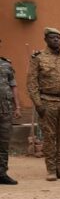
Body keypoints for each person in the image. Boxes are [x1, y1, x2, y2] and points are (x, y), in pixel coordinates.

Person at [26, 27, 60, 181]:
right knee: (49, 137)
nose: (56, 40)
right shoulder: (38, 58)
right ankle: (51, 170)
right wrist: (37, 103)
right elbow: (32, 83)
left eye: (59, 38)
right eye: (53, 37)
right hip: (47, 102)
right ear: (46, 39)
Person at [0, 45, 21, 185]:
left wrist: (17, 106)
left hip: (5, 110)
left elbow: (13, 86)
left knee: (3, 143)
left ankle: (1, 173)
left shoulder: (6, 65)